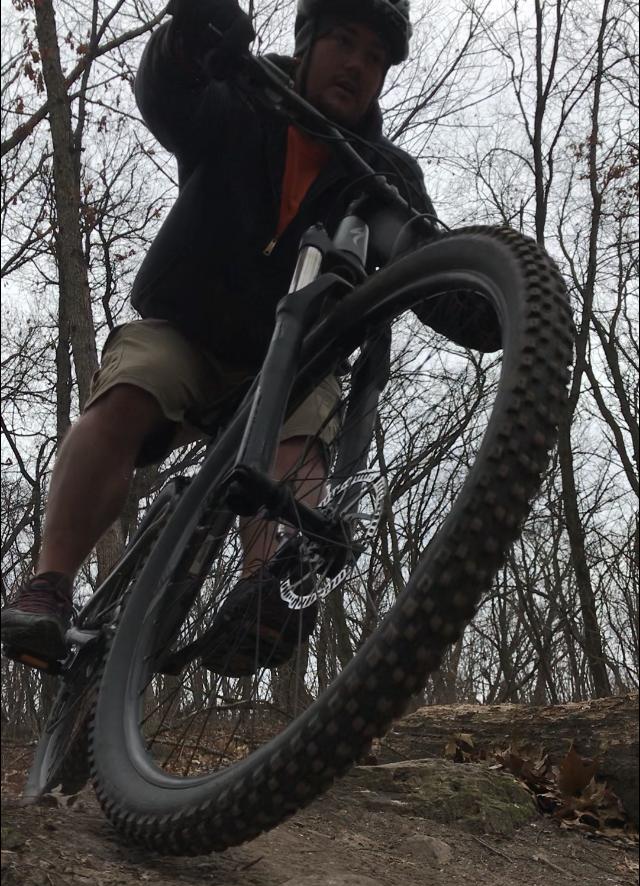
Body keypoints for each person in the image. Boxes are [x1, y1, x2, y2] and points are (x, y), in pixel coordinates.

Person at [2, 0, 499, 675]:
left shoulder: (383, 173)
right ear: (308, 41)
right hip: (187, 328)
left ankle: (264, 593)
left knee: (306, 427)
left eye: (375, 58)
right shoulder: (242, 96)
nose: (357, 65)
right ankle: (49, 586)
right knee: (128, 392)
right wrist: (187, 41)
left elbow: (419, 264)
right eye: (344, 42)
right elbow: (169, 96)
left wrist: (495, 300)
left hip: (293, 362)